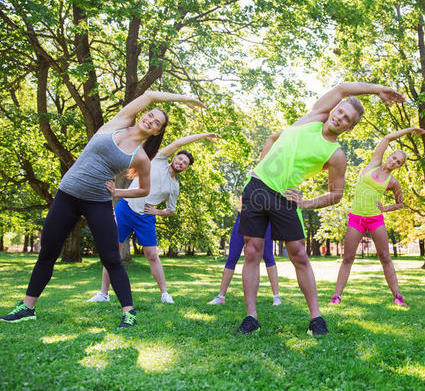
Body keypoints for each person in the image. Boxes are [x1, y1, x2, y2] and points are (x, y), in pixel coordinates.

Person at [0, 91, 204, 327]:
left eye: (156, 123)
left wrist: (117, 193)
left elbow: (144, 190)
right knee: (47, 253)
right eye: (150, 115)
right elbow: (149, 95)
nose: (150, 120)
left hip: (97, 202)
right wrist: (184, 99)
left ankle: (129, 313)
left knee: (111, 258)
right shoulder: (118, 122)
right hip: (67, 195)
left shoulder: (141, 158)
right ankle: (27, 307)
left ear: (157, 131)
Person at [237, 82, 405, 335]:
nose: (339, 117)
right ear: (335, 108)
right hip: (257, 188)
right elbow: (342, 87)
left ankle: (316, 317)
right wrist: (377, 90)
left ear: (349, 127)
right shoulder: (313, 116)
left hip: (286, 198)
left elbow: (337, 194)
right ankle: (251, 317)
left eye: (346, 119)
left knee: (299, 255)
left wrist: (306, 203)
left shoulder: (336, 154)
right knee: (252, 251)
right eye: (340, 111)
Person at [86, 131, 220, 305]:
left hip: (145, 217)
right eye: (180, 159)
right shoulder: (160, 160)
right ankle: (103, 293)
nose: (180, 163)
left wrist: (157, 212)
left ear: (186, 168)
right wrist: (204, 136)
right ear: (174, 158)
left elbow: (171, 210)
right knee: (113, 251)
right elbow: (179, 142)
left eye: (185, 163)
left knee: (152, 255)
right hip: (125, 208)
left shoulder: (174, 187)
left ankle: (164, 294)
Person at [330, 128, 425, 307]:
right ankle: (336, 296)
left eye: (398, 162)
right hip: (356, 218)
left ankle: (397, 296)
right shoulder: (374, 162)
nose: (394, 162)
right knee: (348, 258)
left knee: (385, 257)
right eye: (394, 158)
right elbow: (387, 137)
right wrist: (411, 130)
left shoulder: (392, 181)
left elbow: (400, 203)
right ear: (389, 156)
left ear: (399, 166)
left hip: (375, 219)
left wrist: (386, 208)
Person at [208, 200, 281, 306]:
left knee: (268, 256)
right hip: (243, 218)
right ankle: (221, 297)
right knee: (232, 257)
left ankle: (276, 297)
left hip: (263, 219)